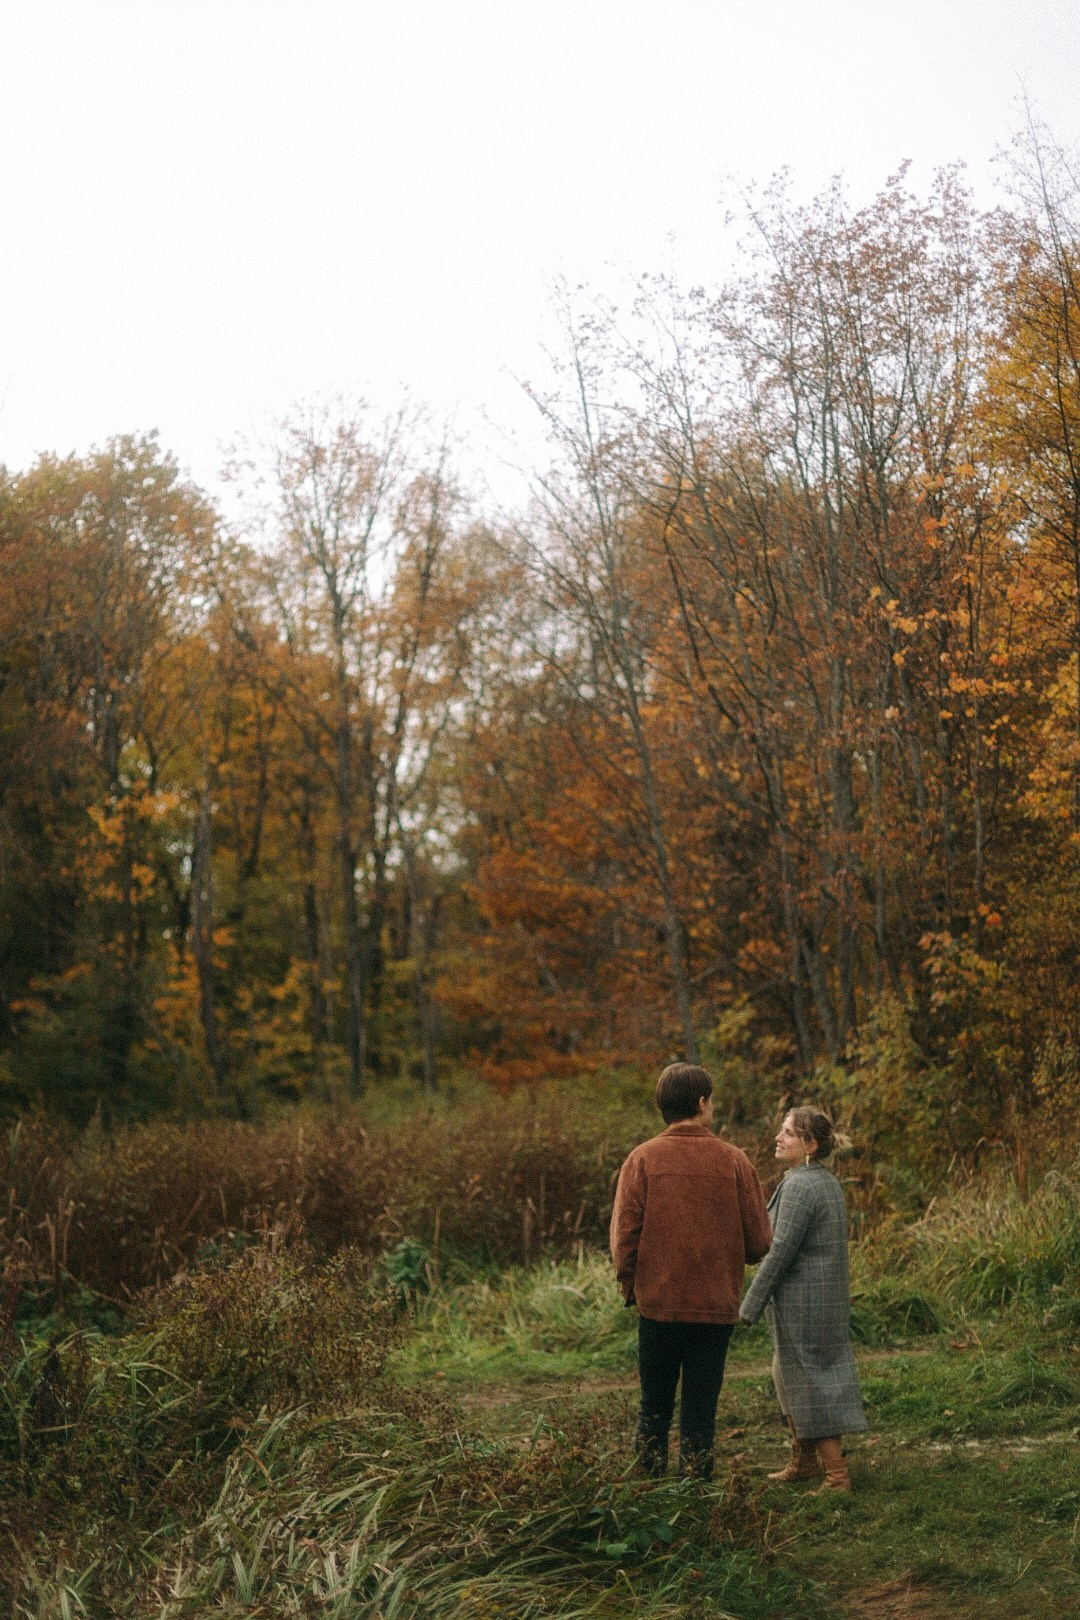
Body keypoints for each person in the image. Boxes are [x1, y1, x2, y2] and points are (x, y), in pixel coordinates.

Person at [610, 1062, 771, 1479]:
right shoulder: (735, 1162)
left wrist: (632, 1286)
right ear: (701, 1103)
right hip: (714, 1308)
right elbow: (759, 1242)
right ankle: (694, 1496)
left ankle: (648, 1491)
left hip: (658, 1305)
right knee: (701, 1410)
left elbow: (624, 1239)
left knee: (654, 1407)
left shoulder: (641, 1159)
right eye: (711, 1098)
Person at [738, 1107, 867, 1492]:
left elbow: (780, 1252)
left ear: (810, 1145)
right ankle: (805, 1460)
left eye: (788, 1133)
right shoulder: (821, 1180)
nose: (778, 1138)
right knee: (788, 1374)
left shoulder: (801, 1185)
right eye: (781, 1130)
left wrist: (748, 1306)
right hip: (820, 1298)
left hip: (806, 1302)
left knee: (811, 1379)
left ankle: (837, 1475)